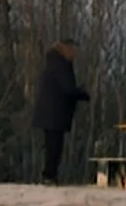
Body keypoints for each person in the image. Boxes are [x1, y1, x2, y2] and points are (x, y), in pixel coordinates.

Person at [31, 38, 90, 185]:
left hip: (50, 111)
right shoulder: (61, 65)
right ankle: (49, 175)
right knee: (54, 146)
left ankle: (50, 174)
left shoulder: (53, 63)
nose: (75, 54)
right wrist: (81, 94)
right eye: (74, 50)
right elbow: (68, 88)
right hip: (55, 112)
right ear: (67, 49)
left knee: (52, 144)